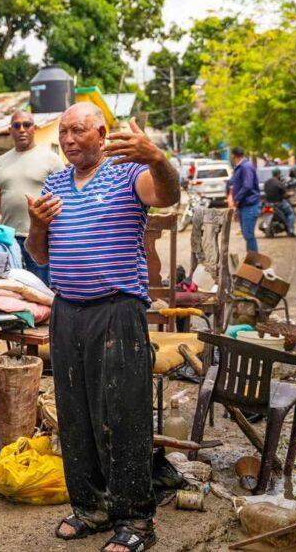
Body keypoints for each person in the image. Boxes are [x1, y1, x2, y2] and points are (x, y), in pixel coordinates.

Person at [25, 103, 179, 552]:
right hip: (67, 311)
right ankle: (91, 506)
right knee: (75, 414)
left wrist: (156, 157)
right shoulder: (54, 183)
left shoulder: (128, 172)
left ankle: (135, 520)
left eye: (78, 131)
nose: (69, 140)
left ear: (101, 132)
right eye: (64, 134)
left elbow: (166, 195)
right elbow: (39, 255)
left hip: (117, 310)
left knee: (123, 416)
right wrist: (36, 226)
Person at [0, 110, 63, 285]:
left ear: (34, 128)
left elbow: (63, 202)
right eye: (16, 125)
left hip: (41, 239)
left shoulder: (52, 160)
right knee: (12, 290)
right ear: (10, 130)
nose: (22, 129)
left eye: (26, 125)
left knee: (42, 290)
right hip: (8, 240)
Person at [227, 146, 262, 253]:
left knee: (249, 234)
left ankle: (254, 262)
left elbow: (248, 185)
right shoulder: (240, 167)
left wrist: (236, 199)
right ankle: (251, 260)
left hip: (250, 205)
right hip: (244, 205)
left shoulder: (245, 166)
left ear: (233, 155)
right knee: (247, 235)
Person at [263, 168, 296, 237]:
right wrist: (291, 194)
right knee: (291, 213)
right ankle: (290, 231)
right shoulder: (279, 183)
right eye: (280, 174)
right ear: (278, 174)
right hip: (278, 203)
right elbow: (285, 195)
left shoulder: (266, 182)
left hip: (268, 203)